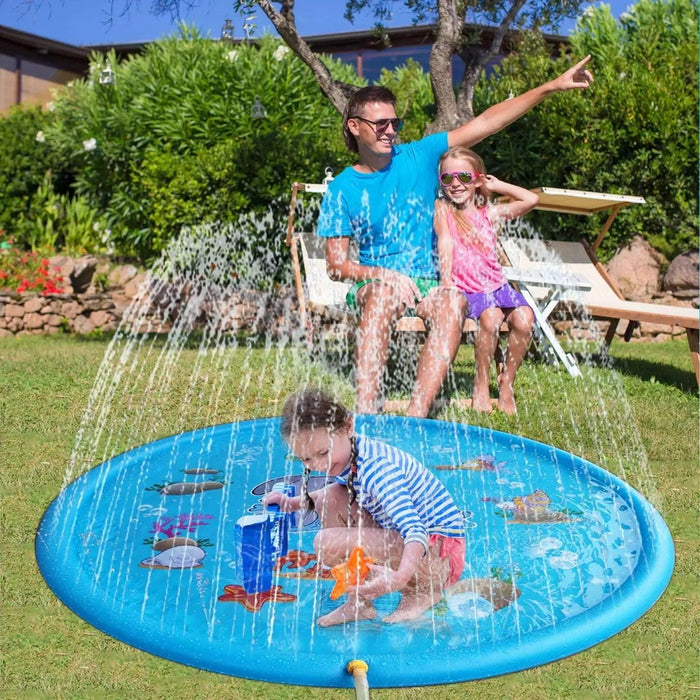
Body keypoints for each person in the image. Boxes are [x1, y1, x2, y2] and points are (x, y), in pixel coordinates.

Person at [316, 57, 592, 417]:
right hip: (378, 281)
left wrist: (549, 87)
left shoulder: (419, 155)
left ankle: (417, 414)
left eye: (394, 122)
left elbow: (487, 122)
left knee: (452, 303)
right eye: (379, 123)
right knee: (382, 297)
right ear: (354, 126)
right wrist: (386, 275)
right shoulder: (341, 189)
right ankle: (366, 413)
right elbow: (336, 266)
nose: (390, 130)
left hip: (431, 283)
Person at [263, 388, 466, 626]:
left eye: (323, 453)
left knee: (324, 542)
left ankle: (422, 590)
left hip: (438, 555)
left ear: (348, 426)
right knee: (332, 498)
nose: (319, 465)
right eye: (306, 459)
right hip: (417, 544)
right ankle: (359, 604)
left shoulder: (378, 471)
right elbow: (338, 491)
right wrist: (293, 503)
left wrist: (399, 578)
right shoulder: (352, 452)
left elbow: (415, 530)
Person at [434, 147, 538, 415]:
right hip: (468, 289)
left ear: (477, 180)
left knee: (526, 319)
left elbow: (530, 200)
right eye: (447, 179)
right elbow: (445, 241)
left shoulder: (488, 213)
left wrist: (499, 184)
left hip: (497, 285)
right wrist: (446, 280)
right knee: (491, 318)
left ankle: (507, 382)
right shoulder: (443, 210)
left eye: (464, 177)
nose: (455, 184)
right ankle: (481, 384)